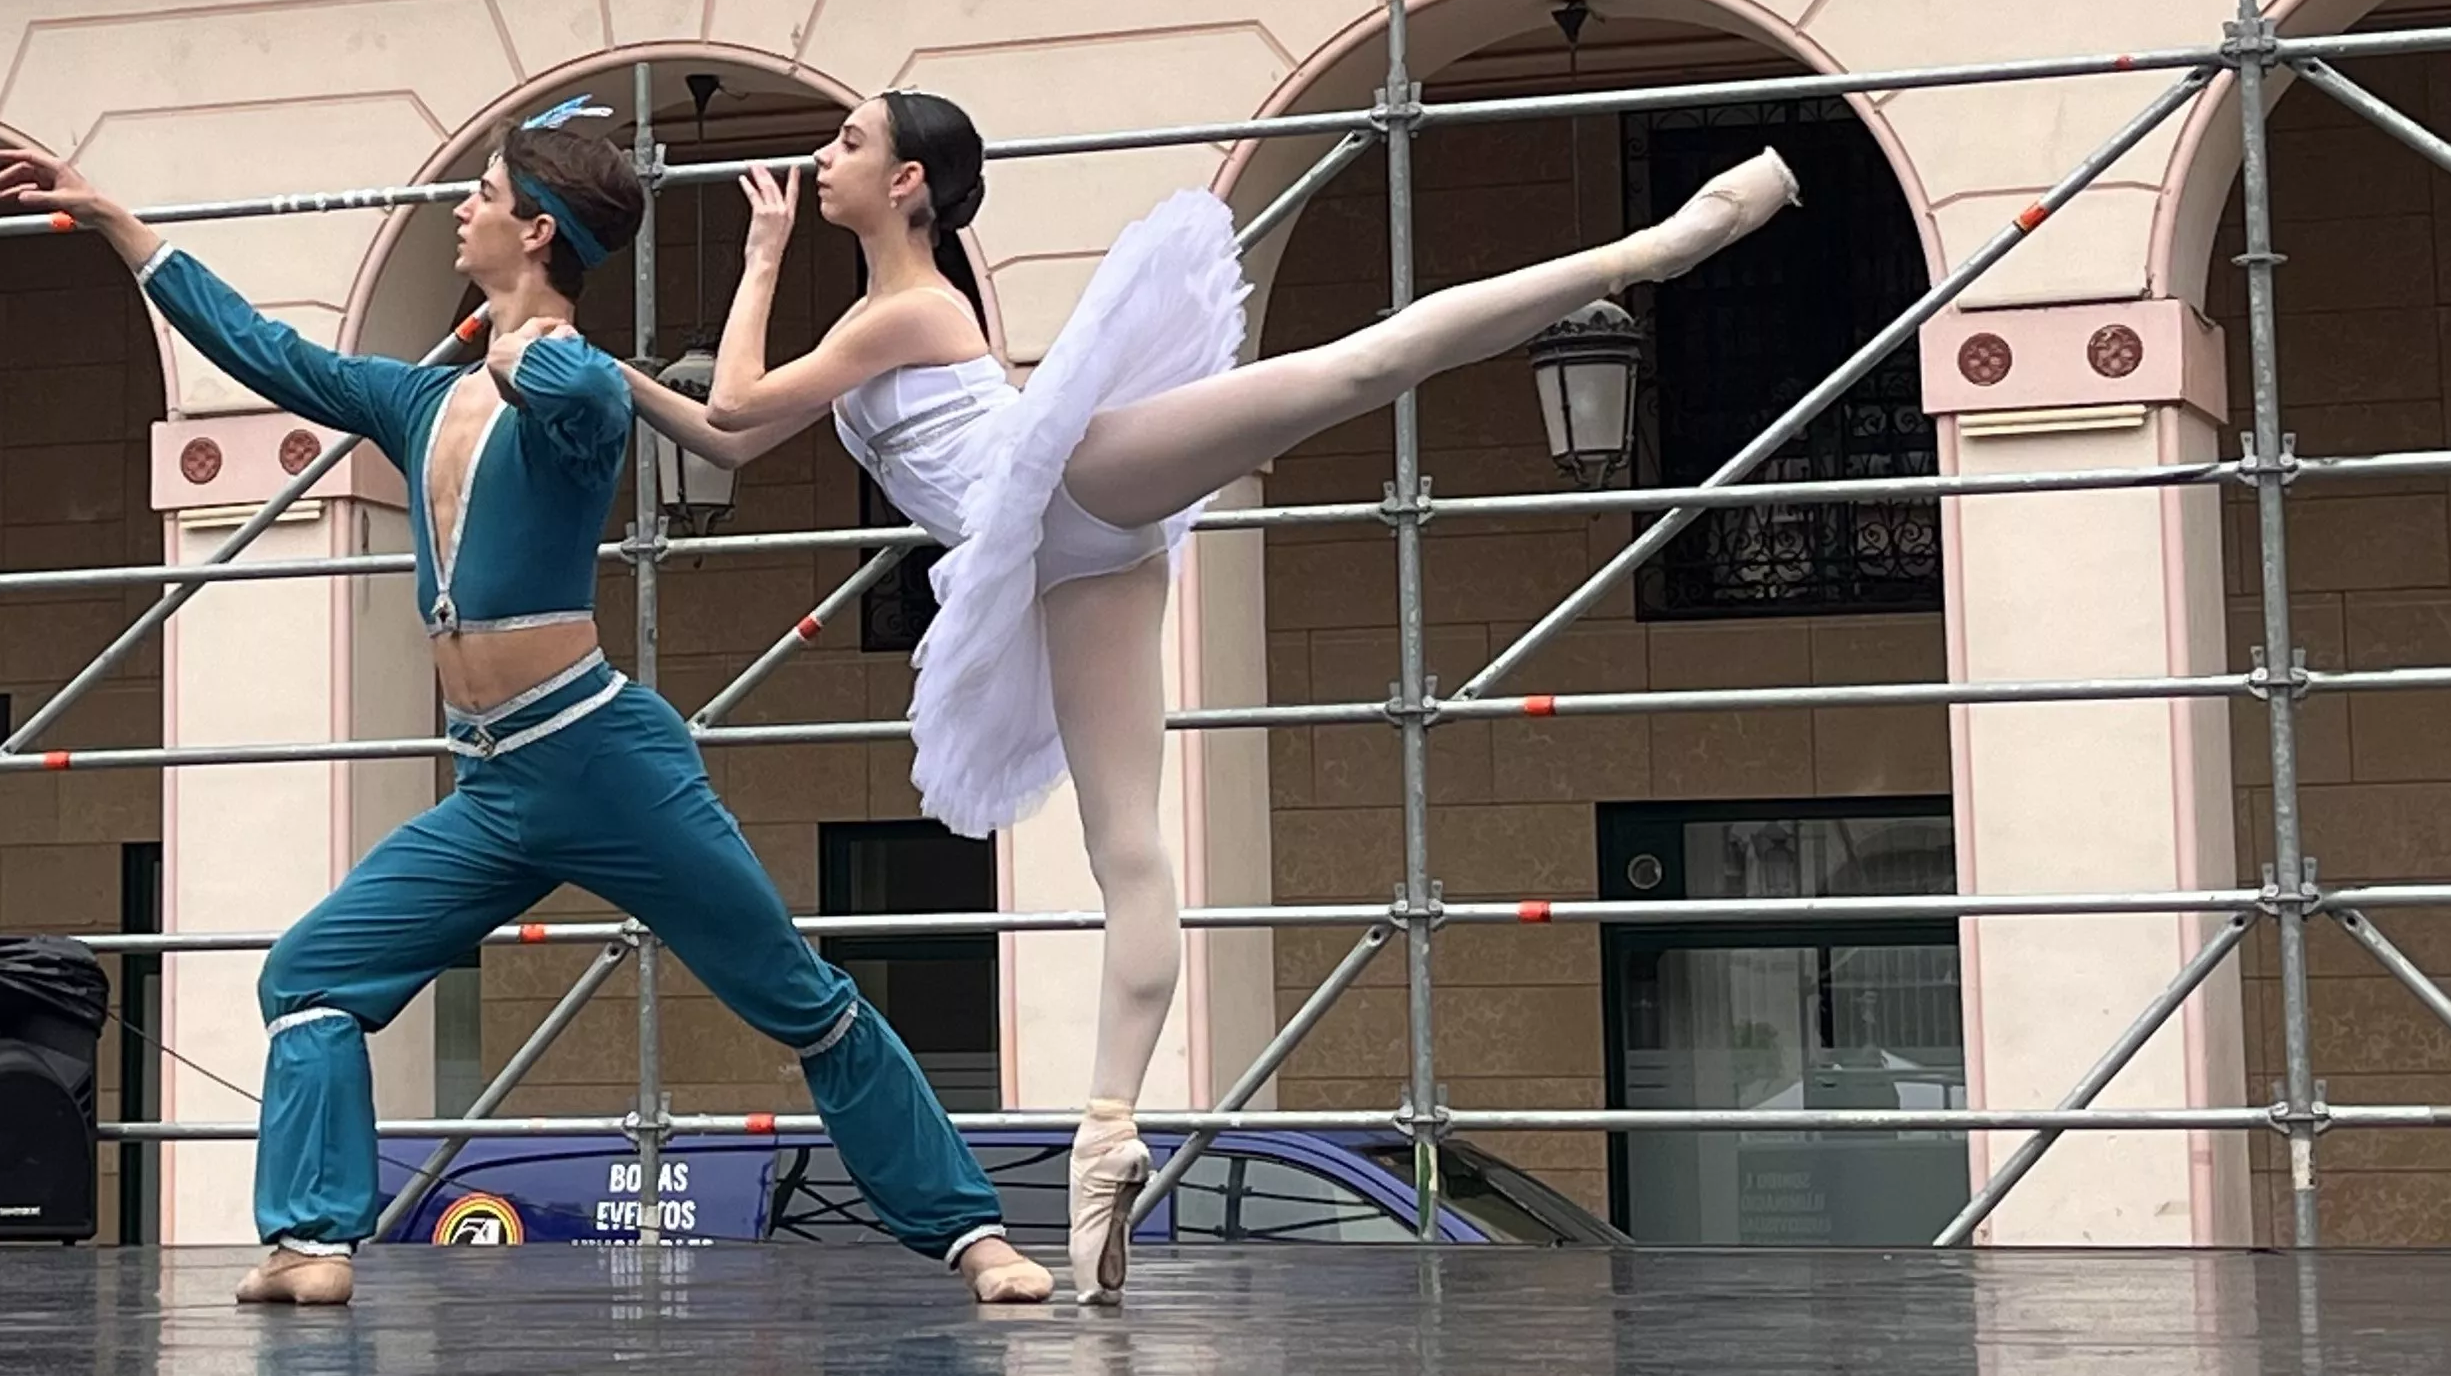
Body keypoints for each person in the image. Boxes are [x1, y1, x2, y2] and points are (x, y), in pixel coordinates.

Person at [624, 92, 1797, 1301]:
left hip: (1063, 484)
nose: (824, 158)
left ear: (911, 182)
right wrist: (606, 380)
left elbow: (734, 409)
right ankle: (1106, 1130)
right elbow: (724, 445)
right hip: (1065, 559)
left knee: (1358, 366)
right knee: (1127, 847)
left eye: (851, 144)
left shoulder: (913, 306)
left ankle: (1666, 243)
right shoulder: (878, 316)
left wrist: (758, 258)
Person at [0, 109, 1055, 1307]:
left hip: (605, 763)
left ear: (534, 228)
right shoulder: (418, 401)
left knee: (799, 998)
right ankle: (312, 1242)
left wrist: (544, 357)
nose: (462, 207)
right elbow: (268, 355)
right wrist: (118, 223)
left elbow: (587, 411)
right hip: (495, 785)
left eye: (482, 190)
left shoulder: (573, 383)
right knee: (309, 977)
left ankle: (975, 1235)